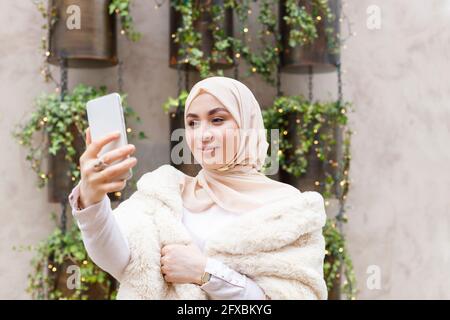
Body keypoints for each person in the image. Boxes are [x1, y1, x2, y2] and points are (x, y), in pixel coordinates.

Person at [68, 76, 328, 300]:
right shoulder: (164, 193)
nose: (203, 135)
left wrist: (204, 272)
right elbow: (119, 260)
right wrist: (92, 199)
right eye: (192, 123)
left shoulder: (289, 209)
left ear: (247, 125)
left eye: (217, 120)